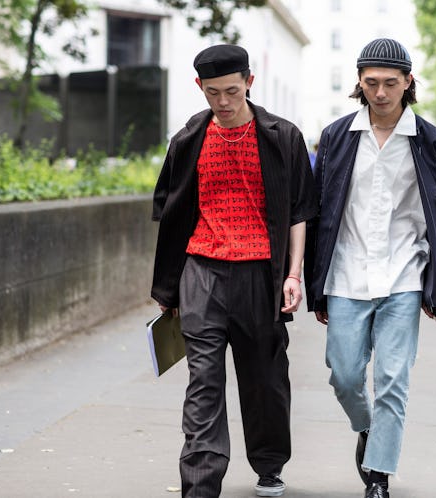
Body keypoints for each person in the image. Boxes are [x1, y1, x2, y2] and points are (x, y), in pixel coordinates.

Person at [150, 44, 317, 498]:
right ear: (199, 87)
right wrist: (169, 285)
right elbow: (169, 209)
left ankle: (268, 464)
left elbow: (300, 210)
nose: (223, 102)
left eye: (231, 91)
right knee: (203, 379)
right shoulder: (188, 140)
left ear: (249, 82)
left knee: (264, 377)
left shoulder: (283, 136)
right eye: (212, 93)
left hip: (260, 274)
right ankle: (201, 484)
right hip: (201, 271)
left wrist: (293, 273)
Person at [304, 38, 436, 498]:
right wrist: (315, 285)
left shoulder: (431, 142)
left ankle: (378, 476)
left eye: (391, 83)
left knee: (393, 379)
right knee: (345, 373)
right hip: (346, 272)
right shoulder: (336, 137)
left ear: (408, 82)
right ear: (359, 82)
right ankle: (367, 430)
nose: (381, 92)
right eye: (371, 83)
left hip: (404, 273)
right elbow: (318, 210)